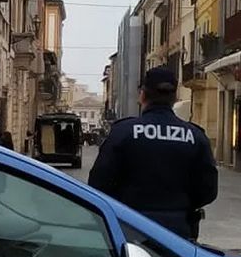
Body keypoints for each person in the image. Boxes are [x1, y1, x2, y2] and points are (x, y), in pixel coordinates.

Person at [88, 66, 218, 241]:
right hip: (178, 234)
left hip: (130, 228)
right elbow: (208, 190)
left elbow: (98, 182)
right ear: (174, 97)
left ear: (142, 95)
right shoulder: (195, 136)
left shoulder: (122, 132)